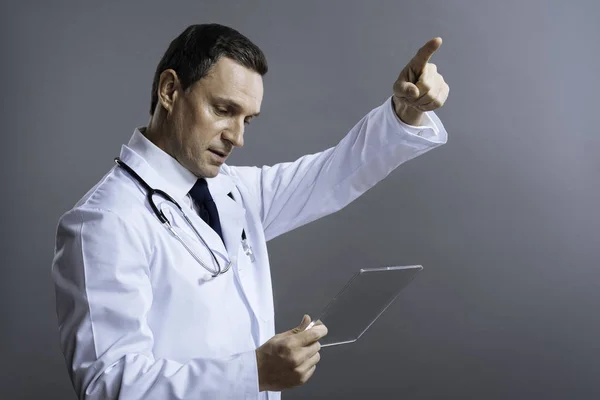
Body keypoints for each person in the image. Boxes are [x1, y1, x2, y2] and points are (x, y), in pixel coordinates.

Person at [51, 23, 449, 400]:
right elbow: (108, 385)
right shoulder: (103, 222)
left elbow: (333, 174)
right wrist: (253, 372)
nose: (237, 138)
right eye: (223, 109)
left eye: (247, 120)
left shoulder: (233, 191)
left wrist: (404, 111)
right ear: (170, 91)